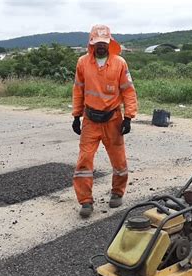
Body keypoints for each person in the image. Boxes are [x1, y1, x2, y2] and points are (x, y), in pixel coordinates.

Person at [71, 24, 138, 218]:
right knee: (84, 161)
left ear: (110, 43)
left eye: (104, 43)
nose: (101, 46)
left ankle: (117, 192)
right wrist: (76, 116)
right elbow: (78, 90)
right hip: (90, 120)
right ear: (91, 44)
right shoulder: (82, 63)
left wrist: (128, 117)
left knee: (119, 160)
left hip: (113, 119)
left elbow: (128, 91)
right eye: (97, 43)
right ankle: (85, 201)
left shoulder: (119, 63)